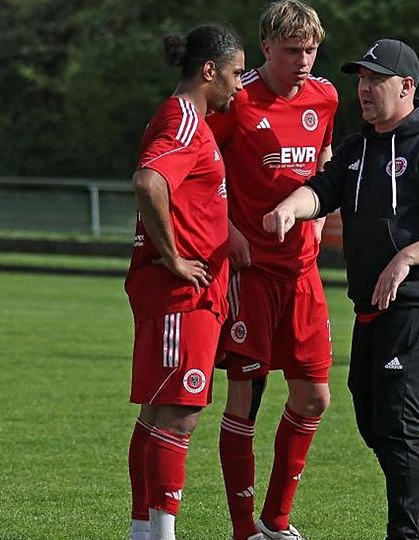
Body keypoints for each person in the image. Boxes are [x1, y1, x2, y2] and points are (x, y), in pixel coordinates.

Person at [263, 39, 419, 540]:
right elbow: (322, 189)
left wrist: (407, 256)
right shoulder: (357, 147)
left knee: (398, 423)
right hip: (370, 309)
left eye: (375, 79)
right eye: (360, 79)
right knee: (372, 421)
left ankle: (407, 534)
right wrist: (288, 208)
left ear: (407, 86)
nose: (364, 89)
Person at [205, 2, 337, 539]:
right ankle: (245, 530)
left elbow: (325, 156)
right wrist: (227, 230)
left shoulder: (325, 96)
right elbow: (198, 167)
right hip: (251, 272)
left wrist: (321, 212)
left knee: (314, 397)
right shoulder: (236, 101)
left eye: (311, 49)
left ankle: (277, 521)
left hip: (303, 272)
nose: (304, 60)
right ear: (266, 48)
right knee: (246, 396)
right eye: (292, 51)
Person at [123, 24, 245, 540]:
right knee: (180, 414)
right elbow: (149, 183)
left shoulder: (183, 117)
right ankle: (162, 533)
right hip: (181, 294)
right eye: (236, 73)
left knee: (157, 412)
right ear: (209, 71)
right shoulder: (186, 121)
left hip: (189, 293)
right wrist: (174, 258)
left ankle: (142, 531)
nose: (240, 85)